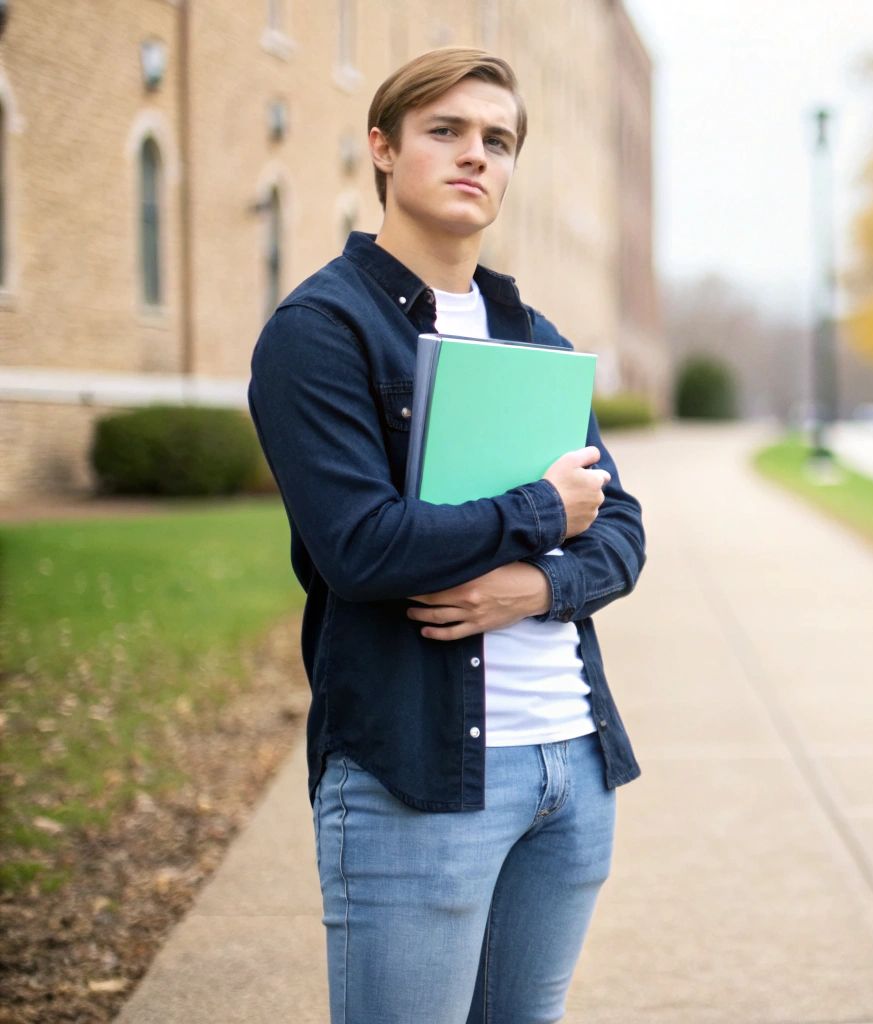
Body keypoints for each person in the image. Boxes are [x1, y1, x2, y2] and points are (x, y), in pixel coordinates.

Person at [246, 47, 645, 1023]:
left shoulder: (529, 333)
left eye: (497, 140)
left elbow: (624, 529)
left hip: (570, 762)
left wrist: (534, 588)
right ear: (381, 149)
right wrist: (543, 514)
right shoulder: (321, 330)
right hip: (416, 777)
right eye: (446, 131)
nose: (476, 156)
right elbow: (364, 547)